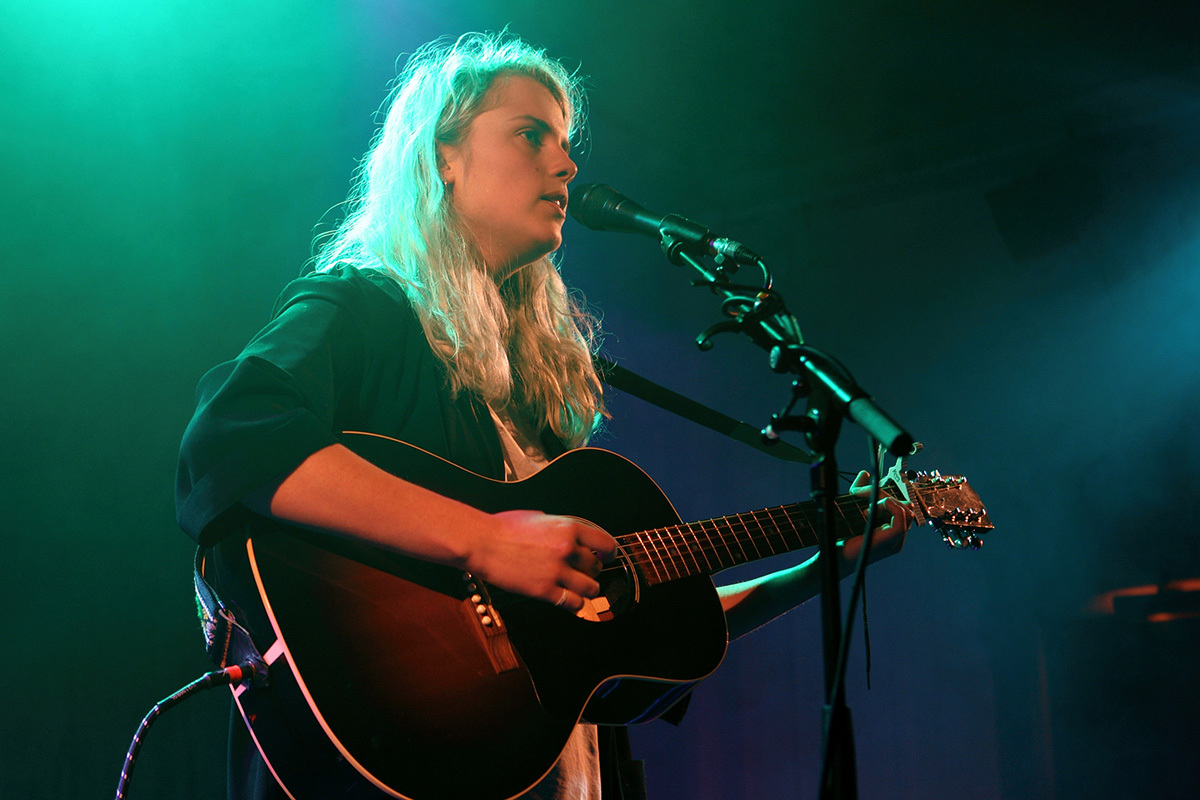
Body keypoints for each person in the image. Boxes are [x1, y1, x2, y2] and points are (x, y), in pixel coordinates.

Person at [176, 31, 914, 800]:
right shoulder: (359, 307)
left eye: (565, 145)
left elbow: (622, 648)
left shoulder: (535, 396)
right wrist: (487, 539)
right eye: (531, 136)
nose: (564, 165)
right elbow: (232, 440)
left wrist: (823, 563)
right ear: (443, 157)